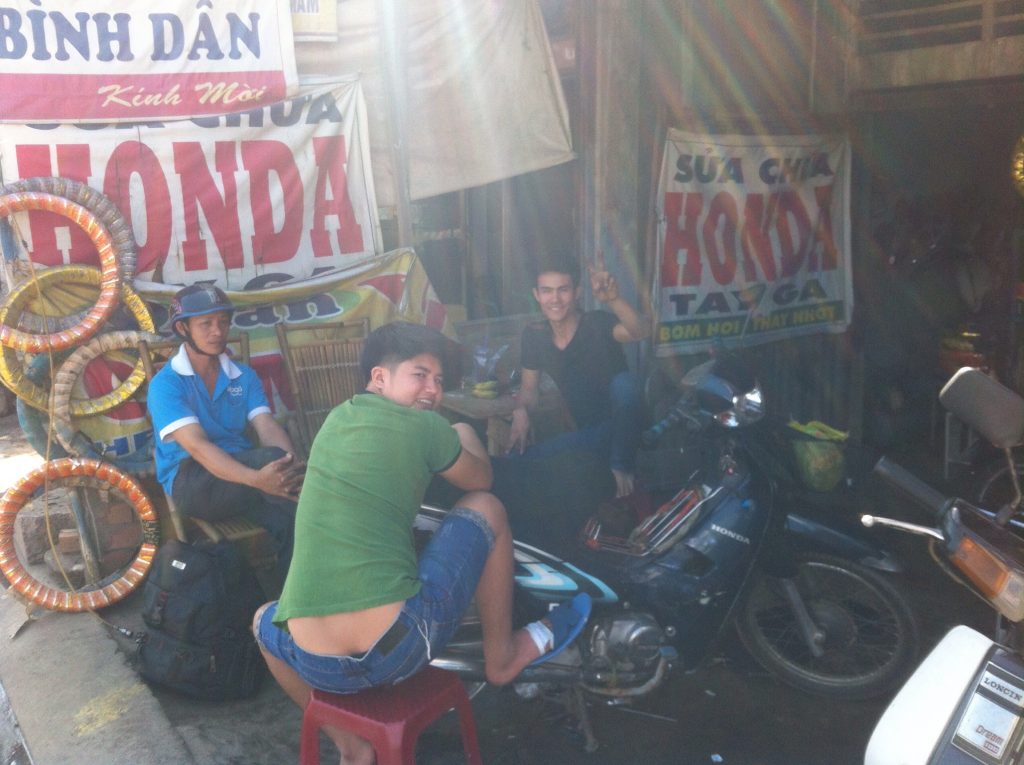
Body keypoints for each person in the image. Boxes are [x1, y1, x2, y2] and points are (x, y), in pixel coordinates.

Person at [254, 321, 590, 765]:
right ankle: (502, 658)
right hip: (399, 647)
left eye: (439, 380)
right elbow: (480, 477)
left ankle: (351, 747)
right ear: (379, 377)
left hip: (314, 662)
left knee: (263, 620)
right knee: (486, 507)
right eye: (419, 374)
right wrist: (464, 432)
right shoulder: (426, 427)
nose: (432, 389)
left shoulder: (334, 421)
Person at [147, 284, 304, 580]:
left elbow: (266, 426)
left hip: (242, 482)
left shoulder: (243, 376)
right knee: (275, 464)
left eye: (222, 322)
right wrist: (258, 479)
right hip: (194, 482)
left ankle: (290, 600)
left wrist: (291, 467)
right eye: (206, 323)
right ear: (182, 328)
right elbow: (198, 447)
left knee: (292, 520)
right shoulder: (166, 384)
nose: (217, 331)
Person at [506, 253, 650, 497]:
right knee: (518, 461)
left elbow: (641, 331)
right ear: (536, 295)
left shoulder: (597, 323)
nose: (555, 299)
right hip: (587, 436)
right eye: (547, 291)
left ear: (577, 293)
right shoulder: (535, 335)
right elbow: (529, 390)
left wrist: (614, 300)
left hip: (626, 429)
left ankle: (620, 468)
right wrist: (521, 411)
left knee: (626, 384)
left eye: (563, 290)